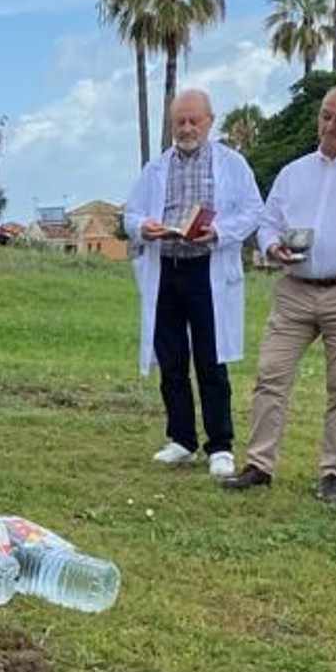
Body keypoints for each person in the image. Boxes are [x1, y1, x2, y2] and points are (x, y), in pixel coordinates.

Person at [223, 85, 336, 501]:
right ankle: (259, 464)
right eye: (326, 115)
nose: (332, 124)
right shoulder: (294, 172)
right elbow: (268, 220)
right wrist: (272, 246)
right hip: (296, 288)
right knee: (271, 375)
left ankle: (333, 472)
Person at [123, 88, 264, 479]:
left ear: (209, 122)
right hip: (167, 268)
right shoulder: (155, 168)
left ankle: (220, 444)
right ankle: (181, 438)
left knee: (211, 359)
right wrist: (143, 227)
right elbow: (130, 214)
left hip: (207, 268)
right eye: (179, 122)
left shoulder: (232, 165)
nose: (186, 129)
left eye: (193, 121)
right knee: (171, 359)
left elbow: (254, 211)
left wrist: (220, 232)